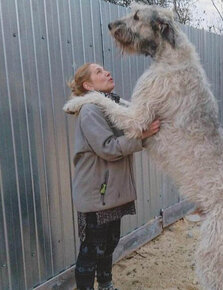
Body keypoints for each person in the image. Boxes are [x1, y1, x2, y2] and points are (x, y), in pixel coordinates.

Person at [66, 63, 160, 290]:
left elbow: (130, 131)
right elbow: (108, 147)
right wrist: (142, 135)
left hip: (109, 193)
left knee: (108, 244)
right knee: (91, 249)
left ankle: (106, 285)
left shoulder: (112, 107)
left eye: (106, 69)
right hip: (96, 194)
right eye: (99, 72)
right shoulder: (90, 110)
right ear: (87, 85)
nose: (107, 72)